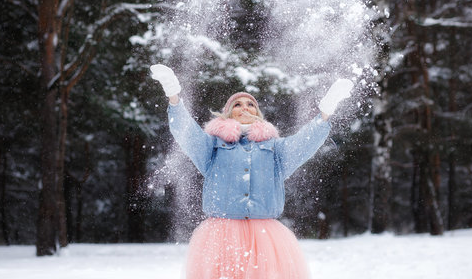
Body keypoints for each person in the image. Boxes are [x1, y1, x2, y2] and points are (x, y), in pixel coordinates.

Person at [150, 64, 353, 279]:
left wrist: (326, 110)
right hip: (221, 237)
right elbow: (186, 131)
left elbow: (305, 142)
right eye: (237, 104)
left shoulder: (275, 149)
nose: (245, 107)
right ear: (228, 113)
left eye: (250, 104)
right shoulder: (212, 147)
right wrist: (173, 94)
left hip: (266, 239)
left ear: (257, 113)